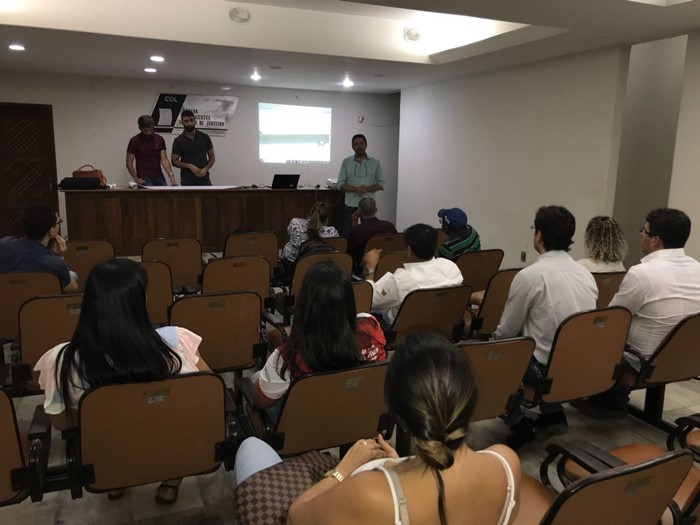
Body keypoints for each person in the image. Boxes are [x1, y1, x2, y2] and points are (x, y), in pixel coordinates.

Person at [236, 332, 520, 525]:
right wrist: (401, 464)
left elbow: (296, 516)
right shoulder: (506, 463)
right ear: (470, 397)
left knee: (251, 448)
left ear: (398, 415)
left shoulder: (370, 492)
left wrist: (344, 469)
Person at [34, 259, 209, 503]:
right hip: (172, 449)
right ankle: (170, 482)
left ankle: (117, 481)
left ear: (89, 303)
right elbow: (208, 392)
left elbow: (62, 423)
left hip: (111, 455)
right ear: (141, 301)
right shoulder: (179, 344)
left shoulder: (61, 360)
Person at [575, 208, 700, 417]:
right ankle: (612, 397)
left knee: (592, 334)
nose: (641, 235)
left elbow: (613, 318)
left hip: (644, 363)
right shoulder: (698, 269)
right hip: (688, 359)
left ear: (655, 240)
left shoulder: (642, 273)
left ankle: (605, 397)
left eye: (643, 231)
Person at [494, 205, 597, 449]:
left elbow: (507, 331)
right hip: (582, 363)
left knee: (491, 360)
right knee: (547, 345)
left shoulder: (530, 276)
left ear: (539, 235)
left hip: (544, 369)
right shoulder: (585, 273)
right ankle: (553, 415)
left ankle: (519, 424)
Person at [253, 260, 386, 411]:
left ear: (304, 304)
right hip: (356, 411)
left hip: (308, 418)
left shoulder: (288, 355)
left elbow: (260, 401)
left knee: (256, 379)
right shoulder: (370, 327)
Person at [361, 223, 463, 326]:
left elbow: (369, 301)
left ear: (409, 250)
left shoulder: (401, 280)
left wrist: (370, 268)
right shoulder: (451, 267)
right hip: (442, 325)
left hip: (402, 330)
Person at [0, 205, 78, 293]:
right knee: (73, 275)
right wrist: (60, 256)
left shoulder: (3, 244)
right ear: (51, 231)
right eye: (58, 222)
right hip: (39, 300)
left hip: (5, 298)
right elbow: (71, 289)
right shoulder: (56, 263)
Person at [337, 134, 384, 237]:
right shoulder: (346, 162)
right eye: (356, 144)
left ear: (366, 145)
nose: (359, 146)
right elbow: (340, 184)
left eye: (361, 143)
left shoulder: (375, 162)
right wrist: (355, 189)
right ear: (352, 147)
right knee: (348, 234)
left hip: (368, 205)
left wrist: (366, 189)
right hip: (350, 204)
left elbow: (381, 184)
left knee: (368, 235)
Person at [126, 114, 176, 186]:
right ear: (140, 128)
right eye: (145, 130)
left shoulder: (159, 139)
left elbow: (164, 159)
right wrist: (136, 178)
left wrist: (171, 175)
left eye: (151, 130)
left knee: (165, 192)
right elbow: (129, 162)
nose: (148, 133)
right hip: (144, 177)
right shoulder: (134, 141)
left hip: (159, 176)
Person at [348, 196, 397, 270]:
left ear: (359, 211)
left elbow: (350, 254)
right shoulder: (389, 226)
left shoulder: (357, 230)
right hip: (389, 266)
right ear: (375, 210)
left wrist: (354, 224)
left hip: (365, 269)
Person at [171, 109, 216, 186]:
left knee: (209, 194)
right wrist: (189, 166)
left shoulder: (205, 137)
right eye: (186, 121)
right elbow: (174, 161)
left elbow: (212, 157)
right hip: (187, 178)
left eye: (191, 120)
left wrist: (205, 169)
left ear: (195, 121)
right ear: (182, 123)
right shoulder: (178, 140)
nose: (189, 123)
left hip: (204, 176)